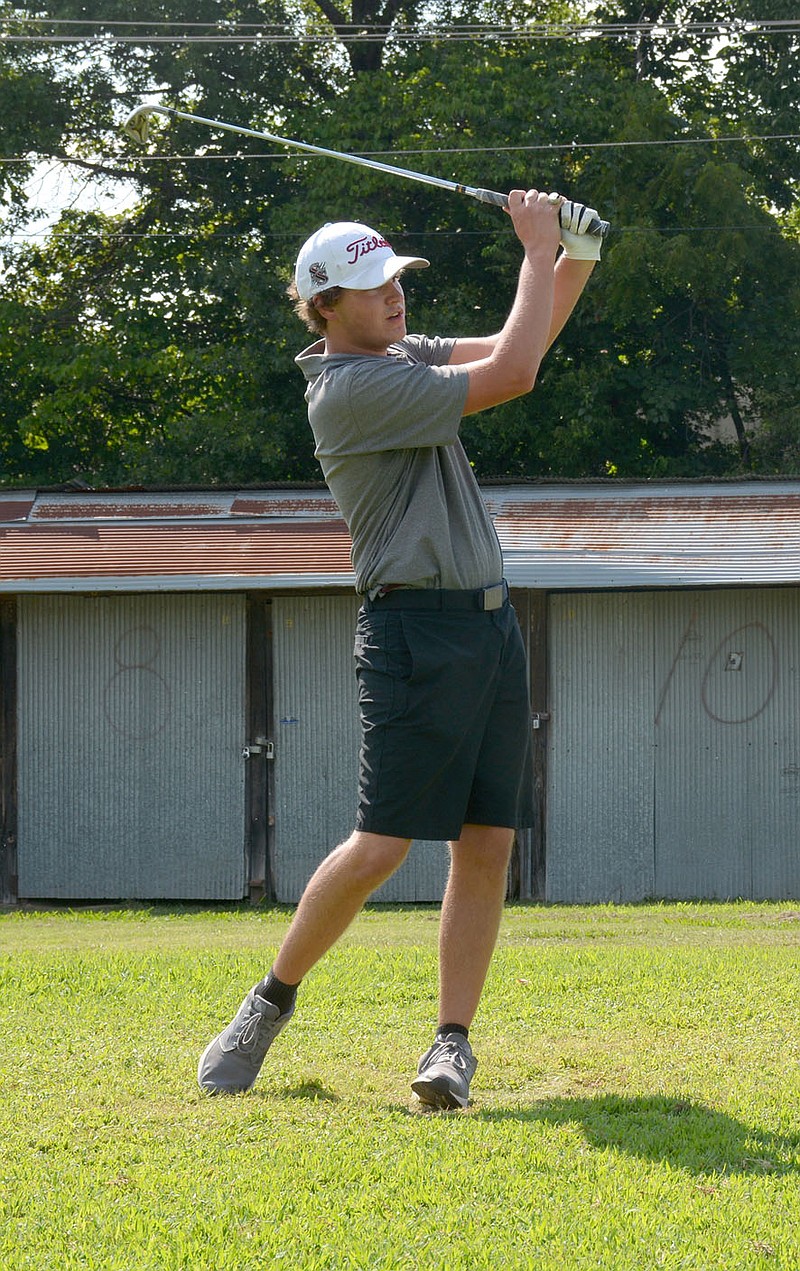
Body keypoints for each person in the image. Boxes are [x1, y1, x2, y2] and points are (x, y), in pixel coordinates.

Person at [198, 190, 602, 1109]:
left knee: (487, 839)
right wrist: (537, 249)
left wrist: (575, 256)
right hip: (413, 631)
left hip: (489, 625)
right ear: (325, 305)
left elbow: (517, 345)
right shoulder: (350, 390)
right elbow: (514, 375)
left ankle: (451, 1044)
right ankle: (269, 1002)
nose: (395, 296)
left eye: (397, 280)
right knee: (382, 843)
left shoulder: (397, 354)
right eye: (374, 285)